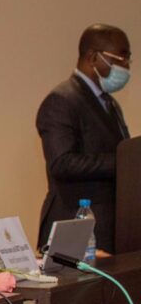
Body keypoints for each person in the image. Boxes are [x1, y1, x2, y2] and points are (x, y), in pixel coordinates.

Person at [37, 23, 132, 251]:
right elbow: (62, 163)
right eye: (121, 59)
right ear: (93, 58)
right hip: (75, 225)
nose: (127, 67)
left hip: (110, 226)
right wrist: (123, 162)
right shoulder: (61, 100)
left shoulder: (110, 103)